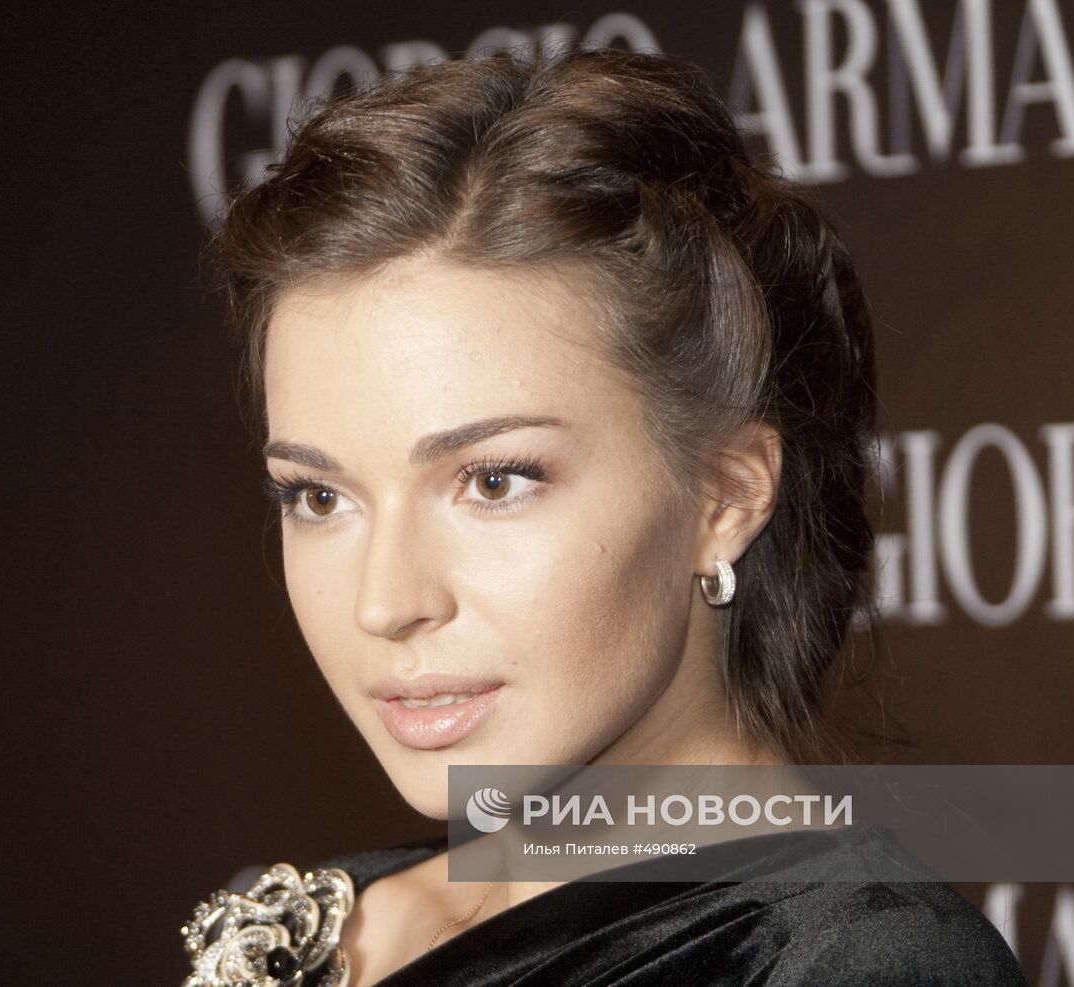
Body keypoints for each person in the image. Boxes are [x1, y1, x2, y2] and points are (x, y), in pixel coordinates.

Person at [179, 46, 1029, 986]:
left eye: (493, 481)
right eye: (319, 496)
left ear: (725, 496)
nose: (385, 603)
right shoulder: (314, 929)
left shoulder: (854, 962)